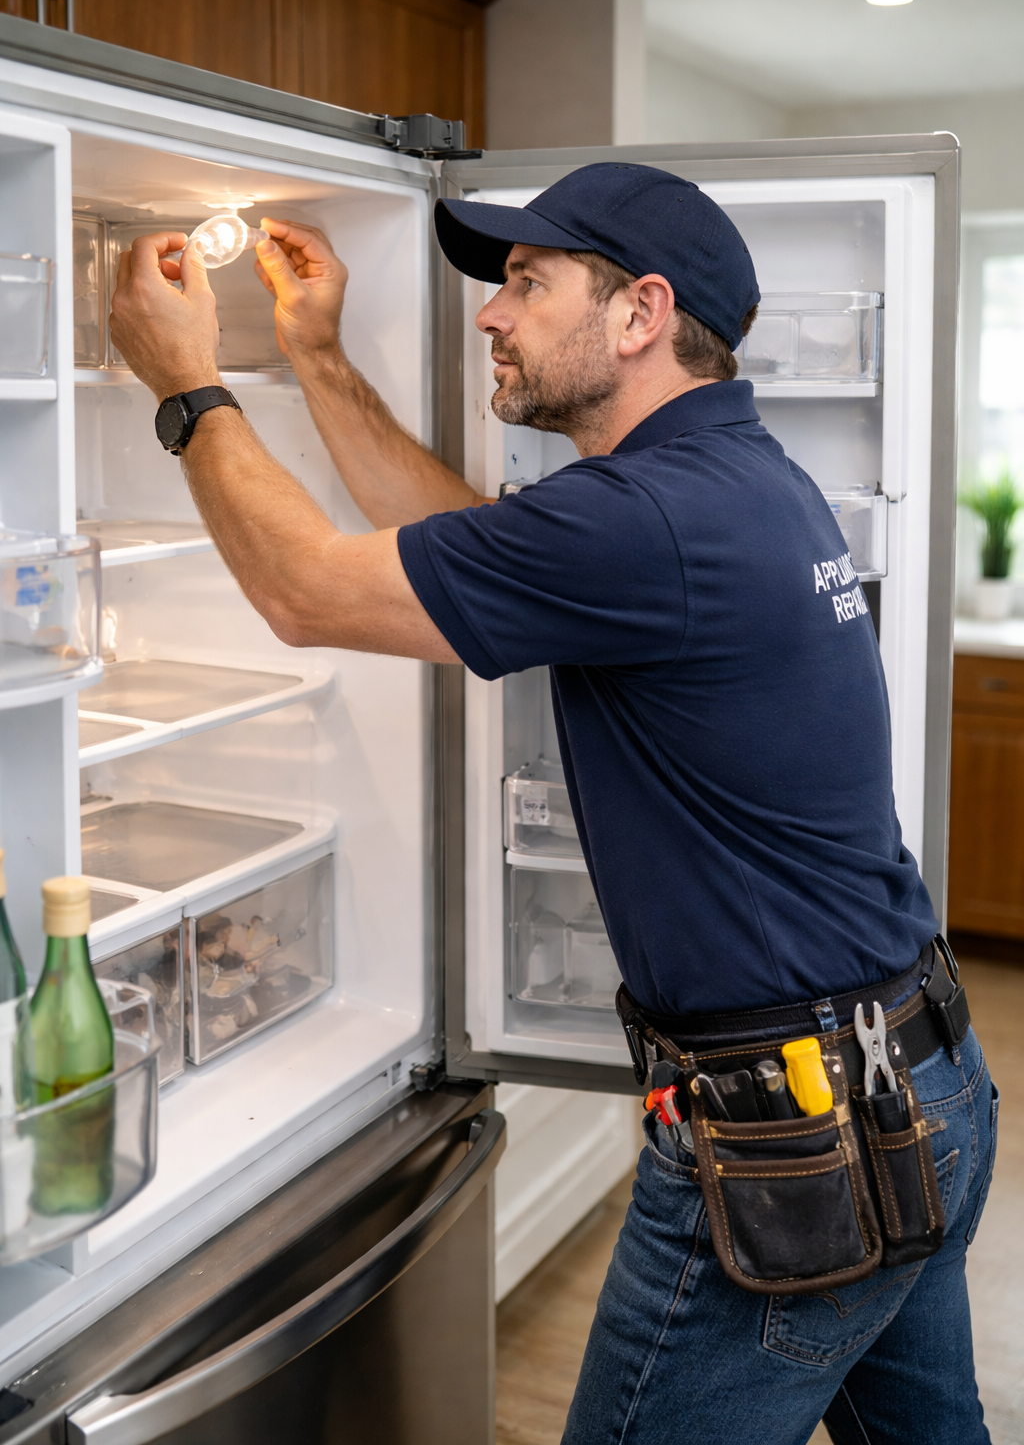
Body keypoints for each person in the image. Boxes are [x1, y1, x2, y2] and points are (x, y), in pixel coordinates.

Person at [110, 163, 996, 1445]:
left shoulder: (648, 520)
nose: (490, 314)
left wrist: (187, 386)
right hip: (916, 1080)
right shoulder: (729, 484)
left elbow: (307, 593)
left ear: (639, 313)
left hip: (790, 1140)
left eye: (527, 283)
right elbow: (465, 543)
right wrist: (316, 356)